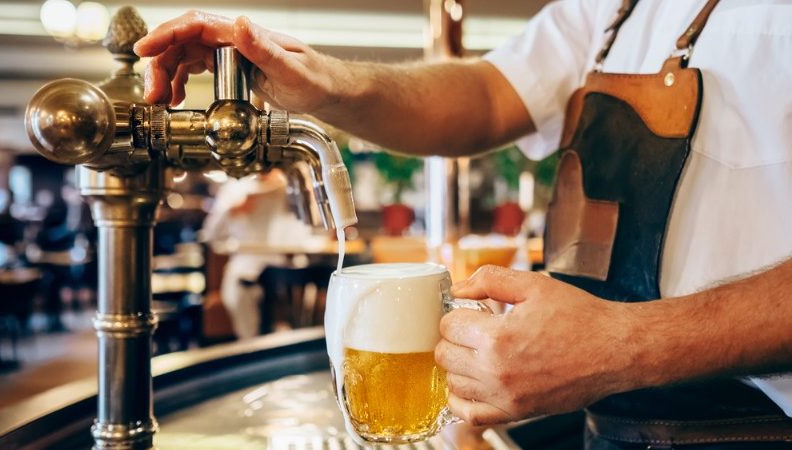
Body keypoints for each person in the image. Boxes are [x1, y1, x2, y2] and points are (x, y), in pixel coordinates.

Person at [134, 1, 792, 448]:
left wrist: (627, 342)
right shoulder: (616, 8)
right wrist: (325, 82)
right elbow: (484, 94)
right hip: (615, 426)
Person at [201, 169, 309, 339]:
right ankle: (250, 346)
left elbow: (303, 231)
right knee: (241, 291)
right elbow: (211, 234)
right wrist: (233, 211)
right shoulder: (235, 188)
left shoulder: (287, 186)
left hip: (279, 265)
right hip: (245, 264)